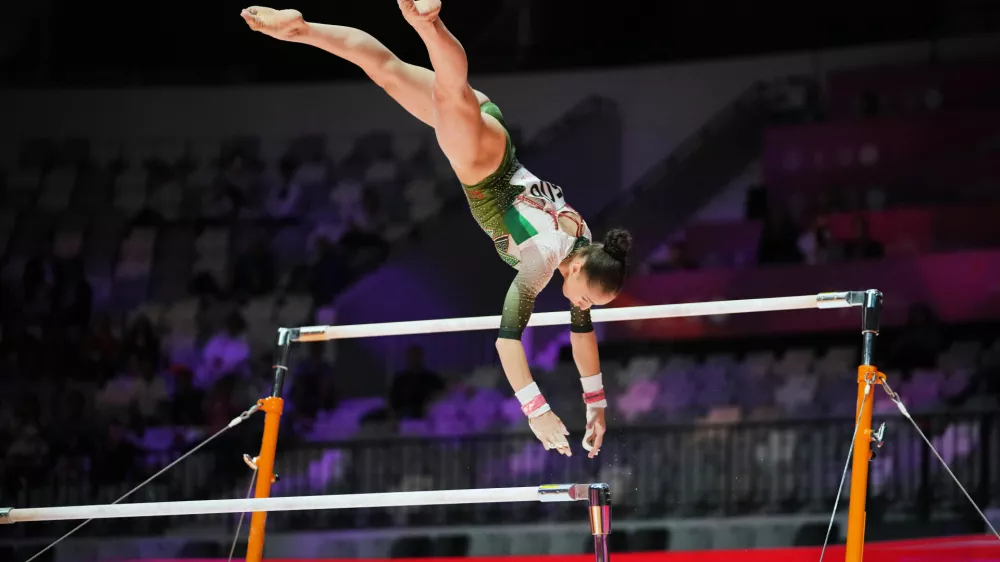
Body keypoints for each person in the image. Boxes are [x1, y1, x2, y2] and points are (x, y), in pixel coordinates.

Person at [241, 0, 632, 458]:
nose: (583, 307)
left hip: (495, 134)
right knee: (451, 90)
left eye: (590, 304)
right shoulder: (542, 260)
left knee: (385, 69)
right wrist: (536, 408)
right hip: (484, 167)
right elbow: (507, 342)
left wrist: (597, 405)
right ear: (581, 269)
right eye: (588, 297)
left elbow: (580, 332)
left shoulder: (584, 242)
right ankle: (429, 22)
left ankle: (302, 29)